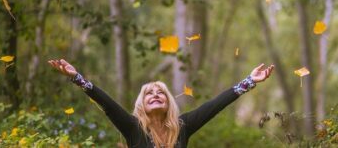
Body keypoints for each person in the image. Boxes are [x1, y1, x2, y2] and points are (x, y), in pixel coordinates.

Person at [48, 59, 274, 148]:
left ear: (168, 103)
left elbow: (215, 105)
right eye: (149, 93)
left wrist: (249, 81)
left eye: (161, 93)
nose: (155, 95)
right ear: (141, 105)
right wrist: (76, 77)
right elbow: (106, 102)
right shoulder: (133, 128)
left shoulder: (182, 126)